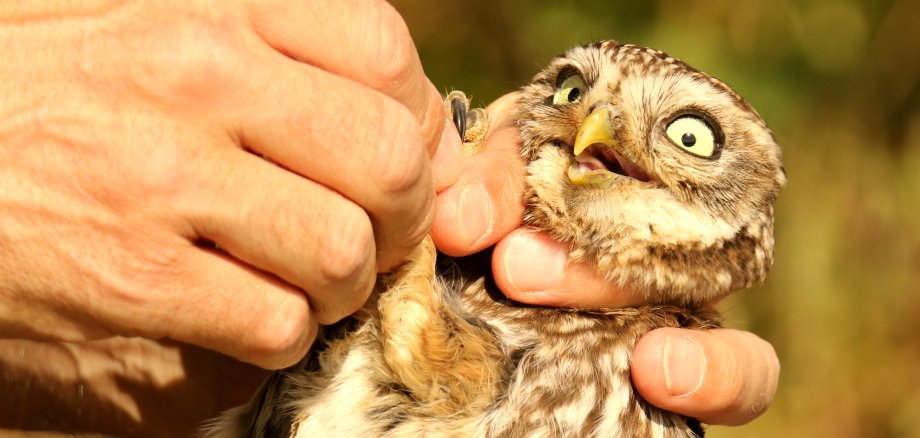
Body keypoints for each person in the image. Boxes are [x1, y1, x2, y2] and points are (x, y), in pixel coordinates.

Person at [0, 1, 778, 435]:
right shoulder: (486, 233)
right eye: (574, 93)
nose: (596, 126)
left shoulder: (643, 360)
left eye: (688, 137)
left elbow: (444, 379)